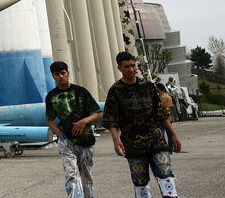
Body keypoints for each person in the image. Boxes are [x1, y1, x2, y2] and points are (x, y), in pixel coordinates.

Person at [103, 51, 183, 197]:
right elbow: (111, 119)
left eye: (133, 66)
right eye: (127, 67)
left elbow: (161, 113)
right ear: (119, 68)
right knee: (141, 183)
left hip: (156, 142)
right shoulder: (115, 91)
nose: (132, 70)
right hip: (132, 145)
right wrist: (116, 141)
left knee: (166, 175)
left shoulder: (148, 86)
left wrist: (173, 135)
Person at [45, 61, 102, 198]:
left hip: (85, 139)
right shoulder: (52, 96)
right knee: (71, 175)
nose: (61, 76)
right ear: (53, 76)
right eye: (57, 74)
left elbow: (98, 113)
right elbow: (49, 118)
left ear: (68, 73)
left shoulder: (81, 92)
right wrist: (59, 134)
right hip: (66, 141)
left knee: (86, 176)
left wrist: (84, 121)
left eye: (63, 73)